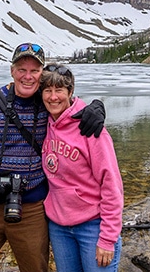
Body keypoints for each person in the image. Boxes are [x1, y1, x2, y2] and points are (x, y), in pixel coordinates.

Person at [0, 43, 105, 272]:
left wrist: (95, 108)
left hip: (32, 210)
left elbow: (71, 106)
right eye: (22, 69)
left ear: (42, 73)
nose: (28, 76)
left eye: (34, 70)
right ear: (12, 70)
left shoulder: (48, 101)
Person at [40, 63, 123, 272]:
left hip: (92, 226)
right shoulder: (44, 122)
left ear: (70, 92)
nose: (53, 97)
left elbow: (111, 185)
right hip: (59, 227)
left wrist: (108, 238)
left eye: (59, 90)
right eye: (47, 91)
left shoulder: (90, 128)